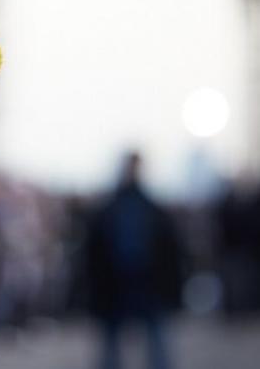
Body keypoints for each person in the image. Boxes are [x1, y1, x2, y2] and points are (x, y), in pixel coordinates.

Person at [85, 152, 182, 369]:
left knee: (156, 339)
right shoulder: (112, 209)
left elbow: (167, 249)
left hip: (146, 282)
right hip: (116, 283)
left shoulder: (148, 209)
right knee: (113, 344)